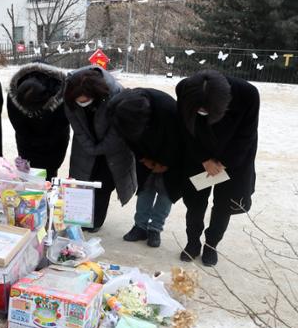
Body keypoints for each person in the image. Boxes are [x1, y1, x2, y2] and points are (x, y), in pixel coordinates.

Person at [176, 70, 259, 266]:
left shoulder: (247, 94)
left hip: (234, 157)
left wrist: (223, 163)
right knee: (195, 201)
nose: (202, 114)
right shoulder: (185, 88)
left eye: (207, 111)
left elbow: (246, 135)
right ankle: (193, 242)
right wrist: (204, 159)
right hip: (198, 152)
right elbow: (184, 128)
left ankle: (211, 244)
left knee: (224, 205)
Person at [108, 88, 183, 247]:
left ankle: (155, 229)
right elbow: (126, 137)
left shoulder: (167, 108)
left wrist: (165, 163)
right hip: (145, 155)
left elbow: (177, 139)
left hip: (170, 158)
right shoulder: (118, 109)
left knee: (165, 194)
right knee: (144, 191)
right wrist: (143, 158)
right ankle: (140, 226)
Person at [64, 66, 136, 232]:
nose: (81, 104)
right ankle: (80, 218)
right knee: (82, 182)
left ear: (95, 94)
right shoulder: (69, 93)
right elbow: (77, 126)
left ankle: (96, 221)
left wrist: (100, 148)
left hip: (112, 150)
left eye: (84, 101)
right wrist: (89, 147)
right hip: (85, 146)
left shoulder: (116, 93)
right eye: (78, 102)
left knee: (104, 185)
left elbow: (117, 131)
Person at [7, 62, 70, 180]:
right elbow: (17, 122)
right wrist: (30, 139)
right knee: (29, 173)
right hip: (27, 140)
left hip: (54, 140)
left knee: (49, 171)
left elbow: (62, 122)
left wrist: (45, 141)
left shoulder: (61, 93)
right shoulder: (14, 93)